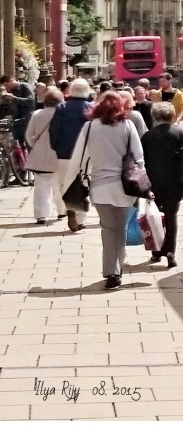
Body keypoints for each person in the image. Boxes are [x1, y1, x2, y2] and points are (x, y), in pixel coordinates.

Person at [75, 90, 145, 290]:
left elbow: (80, 157)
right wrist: (142, 182)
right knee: (120, 229)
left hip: (100, 187)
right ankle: (116, 270)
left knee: (108, 229)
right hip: (125, 187)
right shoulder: (128, 125)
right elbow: (138, 157)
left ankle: (111, 272)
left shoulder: (89, 127)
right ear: (121, 107)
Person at [141, 101, 183, 268]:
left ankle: (156, 252)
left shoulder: (148, 136)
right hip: (176, 183)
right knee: (171, 216)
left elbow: (141, 161)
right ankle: (170, 252)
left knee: (155, 217)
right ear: (171, 115)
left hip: (154, 183)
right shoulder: (178, 132)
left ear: (154, 116)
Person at [51, 77, 94, 231]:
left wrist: (56, 147)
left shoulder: (62, 107)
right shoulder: (90, 107)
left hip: (65, 152)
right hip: (85, 154)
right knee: (83, 184)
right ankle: (80, 219)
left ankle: (70, 209)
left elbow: (54, 130)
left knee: (64, 183)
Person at [25, 86, 66, 225]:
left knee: (41, 186)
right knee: (60, 184)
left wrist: (35, 146)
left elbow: (29, 136)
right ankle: (61, 210)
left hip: (41, 156)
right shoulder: (63, 114)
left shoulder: (37, 114)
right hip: (60, 154)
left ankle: (41, 214)